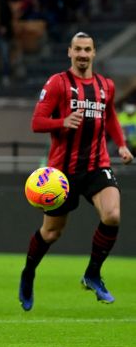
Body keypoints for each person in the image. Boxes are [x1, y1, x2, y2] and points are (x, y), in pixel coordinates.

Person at [18, 32, 133, 312]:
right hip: (62, 174)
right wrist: (62, 121)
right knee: (51, 233)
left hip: (97, 166)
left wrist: (121, 145)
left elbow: (111, 117)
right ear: (69, 52)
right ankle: (29, 272)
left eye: (88, 50)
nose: (83, 54)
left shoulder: (106, 85)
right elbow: (37, 122)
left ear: (94, 53)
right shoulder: (58, 83)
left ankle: (92, 274)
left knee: (113, 215)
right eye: (78, 49)